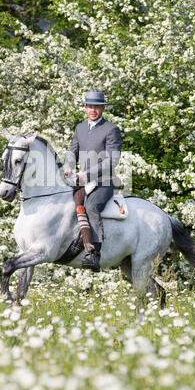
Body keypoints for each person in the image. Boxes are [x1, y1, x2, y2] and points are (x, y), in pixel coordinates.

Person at [64, 91, 122, 272]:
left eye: (97, 107)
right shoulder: (80, 128)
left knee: (91, 206)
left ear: (103, 108)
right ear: (85, 108)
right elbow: (72, 152)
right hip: (81, 180)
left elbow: (111, 161)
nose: (93, 110)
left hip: (104, 181)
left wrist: (87, 175)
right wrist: (67, 166)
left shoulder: (111, 129)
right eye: (90, 106)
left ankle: (94, 253)